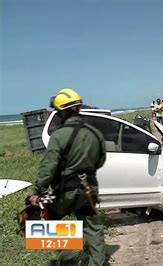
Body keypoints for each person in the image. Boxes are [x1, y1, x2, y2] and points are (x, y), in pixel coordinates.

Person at [29, 88, 107, 265]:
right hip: (89, 188)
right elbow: (101, 160)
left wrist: (38, 190)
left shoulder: (59, 136)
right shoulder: (95, 134)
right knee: (93, 229)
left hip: (67, 191)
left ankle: (68, 259)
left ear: (62, 111)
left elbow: (48, 168)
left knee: (53, 223)